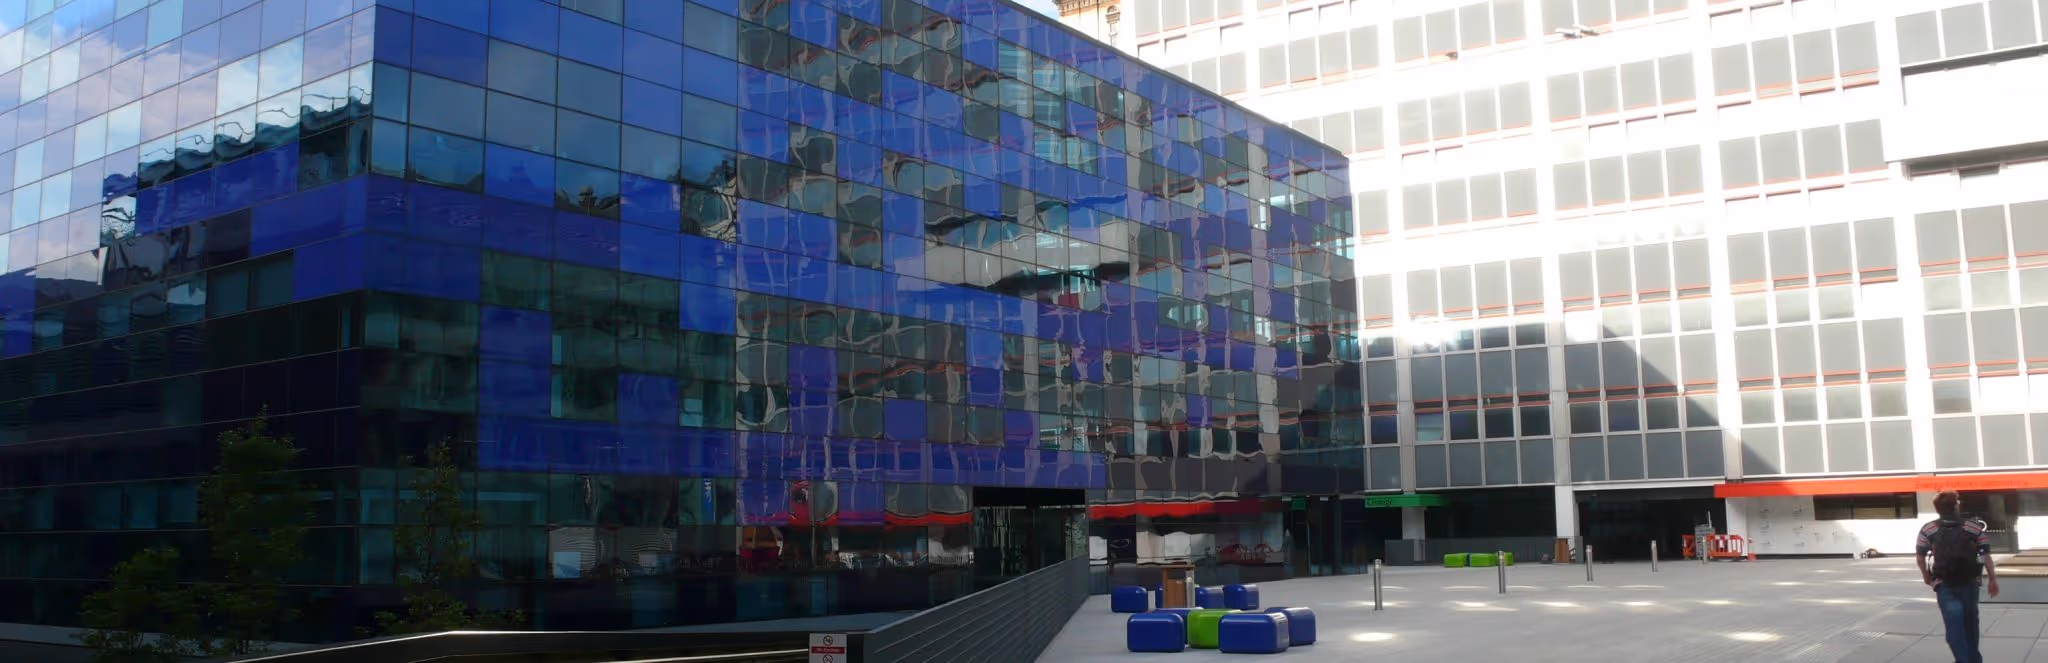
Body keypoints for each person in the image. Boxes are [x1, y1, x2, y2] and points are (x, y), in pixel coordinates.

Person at [1916, 490, 2000, 663]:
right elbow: (1985, 555)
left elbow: (1920, 555)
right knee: (1970, 625)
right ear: (1955, 506)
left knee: (1954, 628)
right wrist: (1992, 579)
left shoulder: (1928, 528)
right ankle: (1974, 660)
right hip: (1969, 583)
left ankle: (1963, 660)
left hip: (1944, 584)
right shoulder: (1973, 527)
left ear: (1937, 508)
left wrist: (1927, 577)